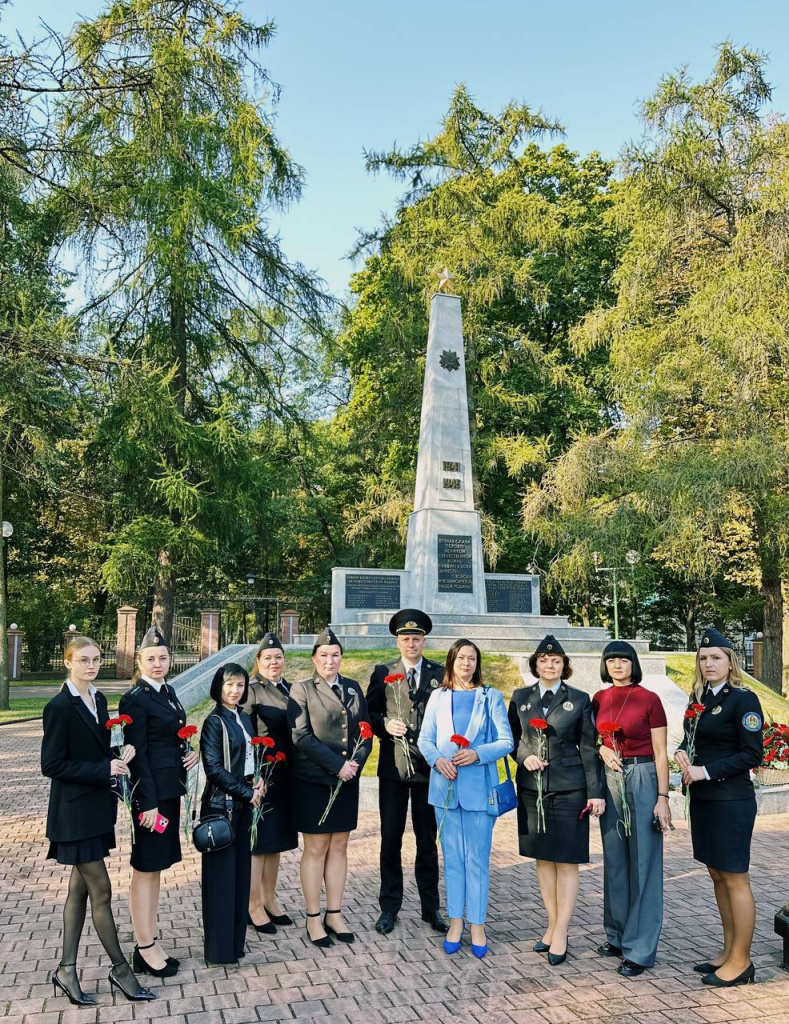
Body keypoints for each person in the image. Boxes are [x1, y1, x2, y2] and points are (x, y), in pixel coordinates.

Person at [41, 635, 155, 1005]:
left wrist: (119, 754)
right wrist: (102, 768)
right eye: (83, 660)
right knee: (101, 891)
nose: (91, 666)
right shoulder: (59, 706)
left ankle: (66, 970)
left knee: (79, 892)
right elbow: (52, 765)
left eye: (96, 659)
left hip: (96, 810)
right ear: (68, 662)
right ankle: (121, 970)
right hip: (73, 814)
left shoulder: (99, 699)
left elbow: (98, 747)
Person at [675, 627, 763, 988]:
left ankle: (742, 961)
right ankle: (729, 951)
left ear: (730, 661)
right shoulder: (697, 698)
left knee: (735, 876)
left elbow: (751, 754)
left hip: (731, 800)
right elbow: (691, 738)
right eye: (703, 658)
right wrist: (682, 751)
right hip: (705, 800)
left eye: (716, 657)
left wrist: (705, 771)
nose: (708, 663)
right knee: (717, 874)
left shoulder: (743, 700)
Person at [509, 634, 605, 967]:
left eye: (556, 661)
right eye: (544, 660)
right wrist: (524, 757)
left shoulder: (578, 699)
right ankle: (551, 924)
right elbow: (512, 738)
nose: (550, 665)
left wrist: (595, 792)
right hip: (532, 789)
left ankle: (561, 930)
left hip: (569, 789)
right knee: (543, 859)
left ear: (565, 666)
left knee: (566, 861)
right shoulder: (520, 697)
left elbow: (589, 747)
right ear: (535, 664)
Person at [418, 638, 513, 959]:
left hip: (479, 792)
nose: (466, 663)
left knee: (477, 861)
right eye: (461, 658)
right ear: (451, 661)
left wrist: (477, 753)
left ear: (477, 664)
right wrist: (436, 760)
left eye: (472, 658)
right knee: (452, 860)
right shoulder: (438, 696)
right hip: (444, 791)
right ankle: (456, 922)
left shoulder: (491, 697)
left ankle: (478, 925)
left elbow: (506, 741)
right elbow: (425, 739)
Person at [119, 626, 198, 978]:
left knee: (157, 868)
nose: (157, 663)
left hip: (169, 792)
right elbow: (137, 755)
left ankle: (150, 941)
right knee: (145, 867)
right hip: (151, 798)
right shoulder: (135, 699)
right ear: (140, 661)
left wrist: (188, 752)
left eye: (163, 658)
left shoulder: (168, 691)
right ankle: (144, 945)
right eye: (150, 659)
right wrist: (146, 804)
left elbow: (170, 737)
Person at [288, 627, 373, 947]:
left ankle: (334, 913)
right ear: (314, 659)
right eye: (323, 655)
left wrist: (354, 765)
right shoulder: (302, 689)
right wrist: (338, 765)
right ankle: (313, 917)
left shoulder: (353, 687)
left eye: (335, 655)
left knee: (339, 845)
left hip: (347, 780)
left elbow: (365, 731)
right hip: (314, 780)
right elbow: (301, 736)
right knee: (316, 848)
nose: (330, 660)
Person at [591, 640, 670, 978]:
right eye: (611, 660)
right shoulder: (599, 698)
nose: (617, 665)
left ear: (633, 664)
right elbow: (591, 739)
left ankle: (640, 948)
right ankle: (618, 934)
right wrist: (601, 749)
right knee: (615, 860)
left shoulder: (649, 699)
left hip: (642, 776)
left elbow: (661, 752)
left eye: (623, 659)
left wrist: (663, 797)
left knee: (644, 862)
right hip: (611, 778)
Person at [366, 608, 447, 936]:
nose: (411, 644)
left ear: (424, 640)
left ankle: (431, 908)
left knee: (427, 841)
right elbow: (369, 713)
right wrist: (385, 724)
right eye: (405, 639)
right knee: (391, 839)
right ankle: (389, 907)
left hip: (428, 769)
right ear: (397, 642)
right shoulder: (383, 672)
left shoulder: (441, 673)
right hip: (394, 769)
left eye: (416, 638)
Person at [200, 662, 265, 966]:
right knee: (221, 883)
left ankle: (236, 945)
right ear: (219, 686)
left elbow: (250, 758)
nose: (235, 690)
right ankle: (219, 951)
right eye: (229, 684)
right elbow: (213, 769)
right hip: (220, 808)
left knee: (240, 879)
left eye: (240, 685)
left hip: (242, 806)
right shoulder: (214, 722)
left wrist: (258, 780)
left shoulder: (244, 718)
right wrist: (247, 792)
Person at [240, 633, 298, 935]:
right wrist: (253, 775)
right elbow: (245, 735)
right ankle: (252, 905)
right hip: (263, 777)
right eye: (268, 658)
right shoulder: (252, 691)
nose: (274, 662)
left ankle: (269, 899)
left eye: (278, 657)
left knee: (276, 843)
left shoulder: (291, 689)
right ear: (258, 661)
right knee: (259, 844)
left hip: (287, 776)